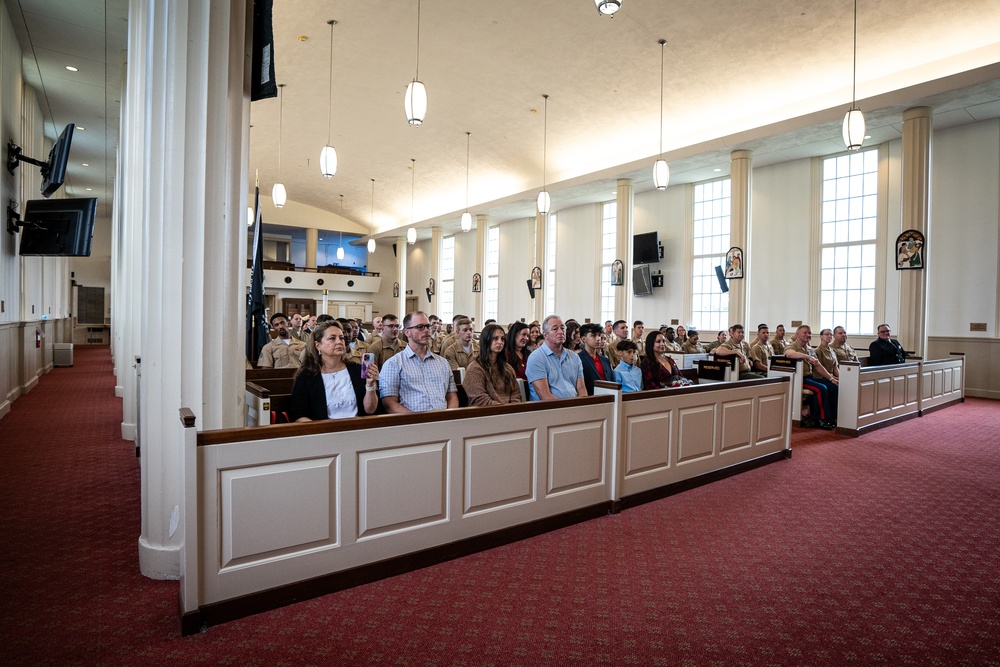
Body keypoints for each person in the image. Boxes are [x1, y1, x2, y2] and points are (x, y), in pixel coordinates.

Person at [289, 321, 380, 421]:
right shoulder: (307, 376)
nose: (339, 342)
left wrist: (370, 384)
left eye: (341, 338)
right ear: (318, 345)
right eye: (332, 338)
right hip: (323, 432)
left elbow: (370, 410)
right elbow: (299, 415)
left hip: (357, 428)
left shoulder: (356, 370)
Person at [379, 311, 458, 413]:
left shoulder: (442, 363)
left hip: (443, 423)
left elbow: (451, 396)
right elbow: (389, 404)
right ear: (407, 332)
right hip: (412, 424)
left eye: (427, 326)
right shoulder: (393, 364)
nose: (426, 330)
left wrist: (449, 417)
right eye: (420, 327)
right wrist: (417, 421)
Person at [784, 325, 839, 429]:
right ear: (797, 334)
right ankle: (819, 419)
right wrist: (807, 357)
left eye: (809, 333)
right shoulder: (792, 346)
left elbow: (818, 366)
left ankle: (831, 416)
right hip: (799, 379)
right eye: (805, 333)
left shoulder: (809, 349)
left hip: (809, 377)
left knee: (833, 386)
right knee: (821, 389)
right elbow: (789, 354)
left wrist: (831, 378)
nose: (808, 335)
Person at [525, 315, 587, 400]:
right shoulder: (536, 358)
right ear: (545, 334)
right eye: (555, 329)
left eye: (562, 328)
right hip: (549, 410)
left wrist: (582, 408)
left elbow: (582, 390)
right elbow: (545, 396)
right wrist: (570, 410)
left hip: (574, 408)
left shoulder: (574, 357)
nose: (561, 332)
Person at [463, 324, 522, 406]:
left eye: (502, 339)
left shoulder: (507, 368)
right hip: (487, 413)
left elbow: (516, 395)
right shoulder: (475, 368)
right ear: (486, 340)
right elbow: (479, 399)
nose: (500, 342)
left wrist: (512, 408)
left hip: (509, 412)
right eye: (495, 338)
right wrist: (504, 409)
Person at [578, 323, 614, 395]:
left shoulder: (605, 360)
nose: (598, 339)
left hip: (608, 398)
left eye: (598, 335)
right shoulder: (578, 359)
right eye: (593, 336)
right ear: (583, 339)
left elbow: (611, 381)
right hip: (590, 398)